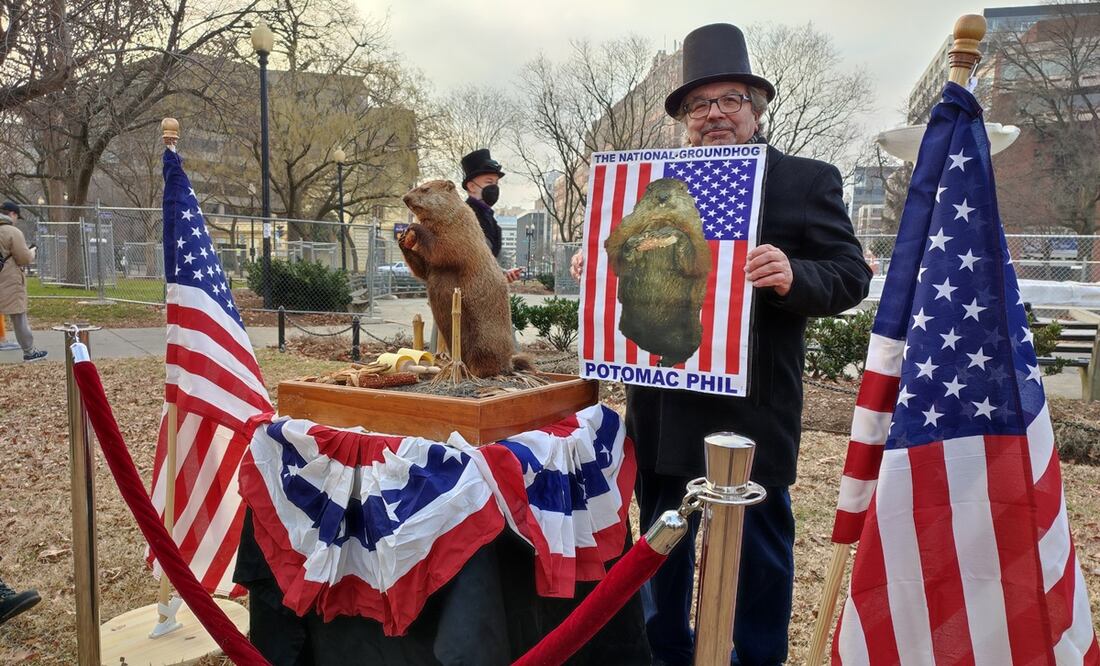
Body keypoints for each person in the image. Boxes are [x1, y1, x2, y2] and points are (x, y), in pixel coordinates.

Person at [572, 23, 871, 665]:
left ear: (755, 110)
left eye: (730, 99)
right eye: (699, 104)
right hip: (664, 402)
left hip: (753, 408)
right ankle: (665, 654)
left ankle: (756, 658)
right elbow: (622, 253)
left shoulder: (805, 180)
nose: (714, 114)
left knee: (759, 552)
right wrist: (595, 266)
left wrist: (795, 274)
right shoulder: (646, 182)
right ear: (683, 118)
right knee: (660, 545)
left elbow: (850, 274)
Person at [460, 149, 521, 283]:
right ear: (471, 186)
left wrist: (503, 274)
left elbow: (485, 262)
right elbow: (473, 261)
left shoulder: (489, 218)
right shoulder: (464, 217)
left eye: (496, 183)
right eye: (489, 182)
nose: (494, 188)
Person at [0, 201, 47, 362]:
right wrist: (32, 251)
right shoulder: (12, 231)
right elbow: (23, 258)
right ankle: (29, 351)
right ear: (12, 214)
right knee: (18, 316)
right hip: (8, 280)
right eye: (16, 217)